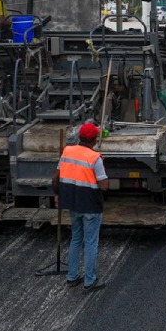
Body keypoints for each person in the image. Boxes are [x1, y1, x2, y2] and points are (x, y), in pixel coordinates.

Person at [52, 122, 110, 291]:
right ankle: (90, 281)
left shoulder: (67, 151)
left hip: (72, 204)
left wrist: (57, 195)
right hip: (91, 205)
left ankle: (72, 276)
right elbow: (104, 186)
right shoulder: (95, 158)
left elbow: (57, 177)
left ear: (80, 137)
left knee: (76, 239)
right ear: (94, 140)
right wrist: (101, 164)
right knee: (91, 242)